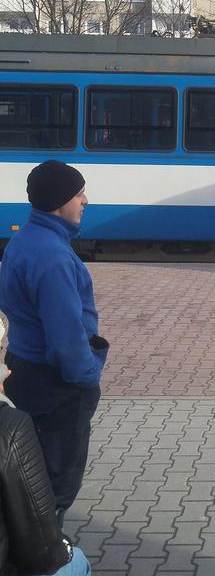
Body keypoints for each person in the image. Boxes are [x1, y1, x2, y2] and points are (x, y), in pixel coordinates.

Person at [0, 160, 109, 528]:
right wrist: (86, 378)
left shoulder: (26, 240)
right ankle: (45, 558)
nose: (86, 200)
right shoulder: (53, 257)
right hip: (55, 385)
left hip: (27, 371)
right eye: (79, 194)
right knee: (52, 491)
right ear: (60, 200)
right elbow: (64, 338)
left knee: (29, 481)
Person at [0, 319, 91, 575]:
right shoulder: (10, 427)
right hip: (54, 380)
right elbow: (42, 553)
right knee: (75, 562)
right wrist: (86, 376)